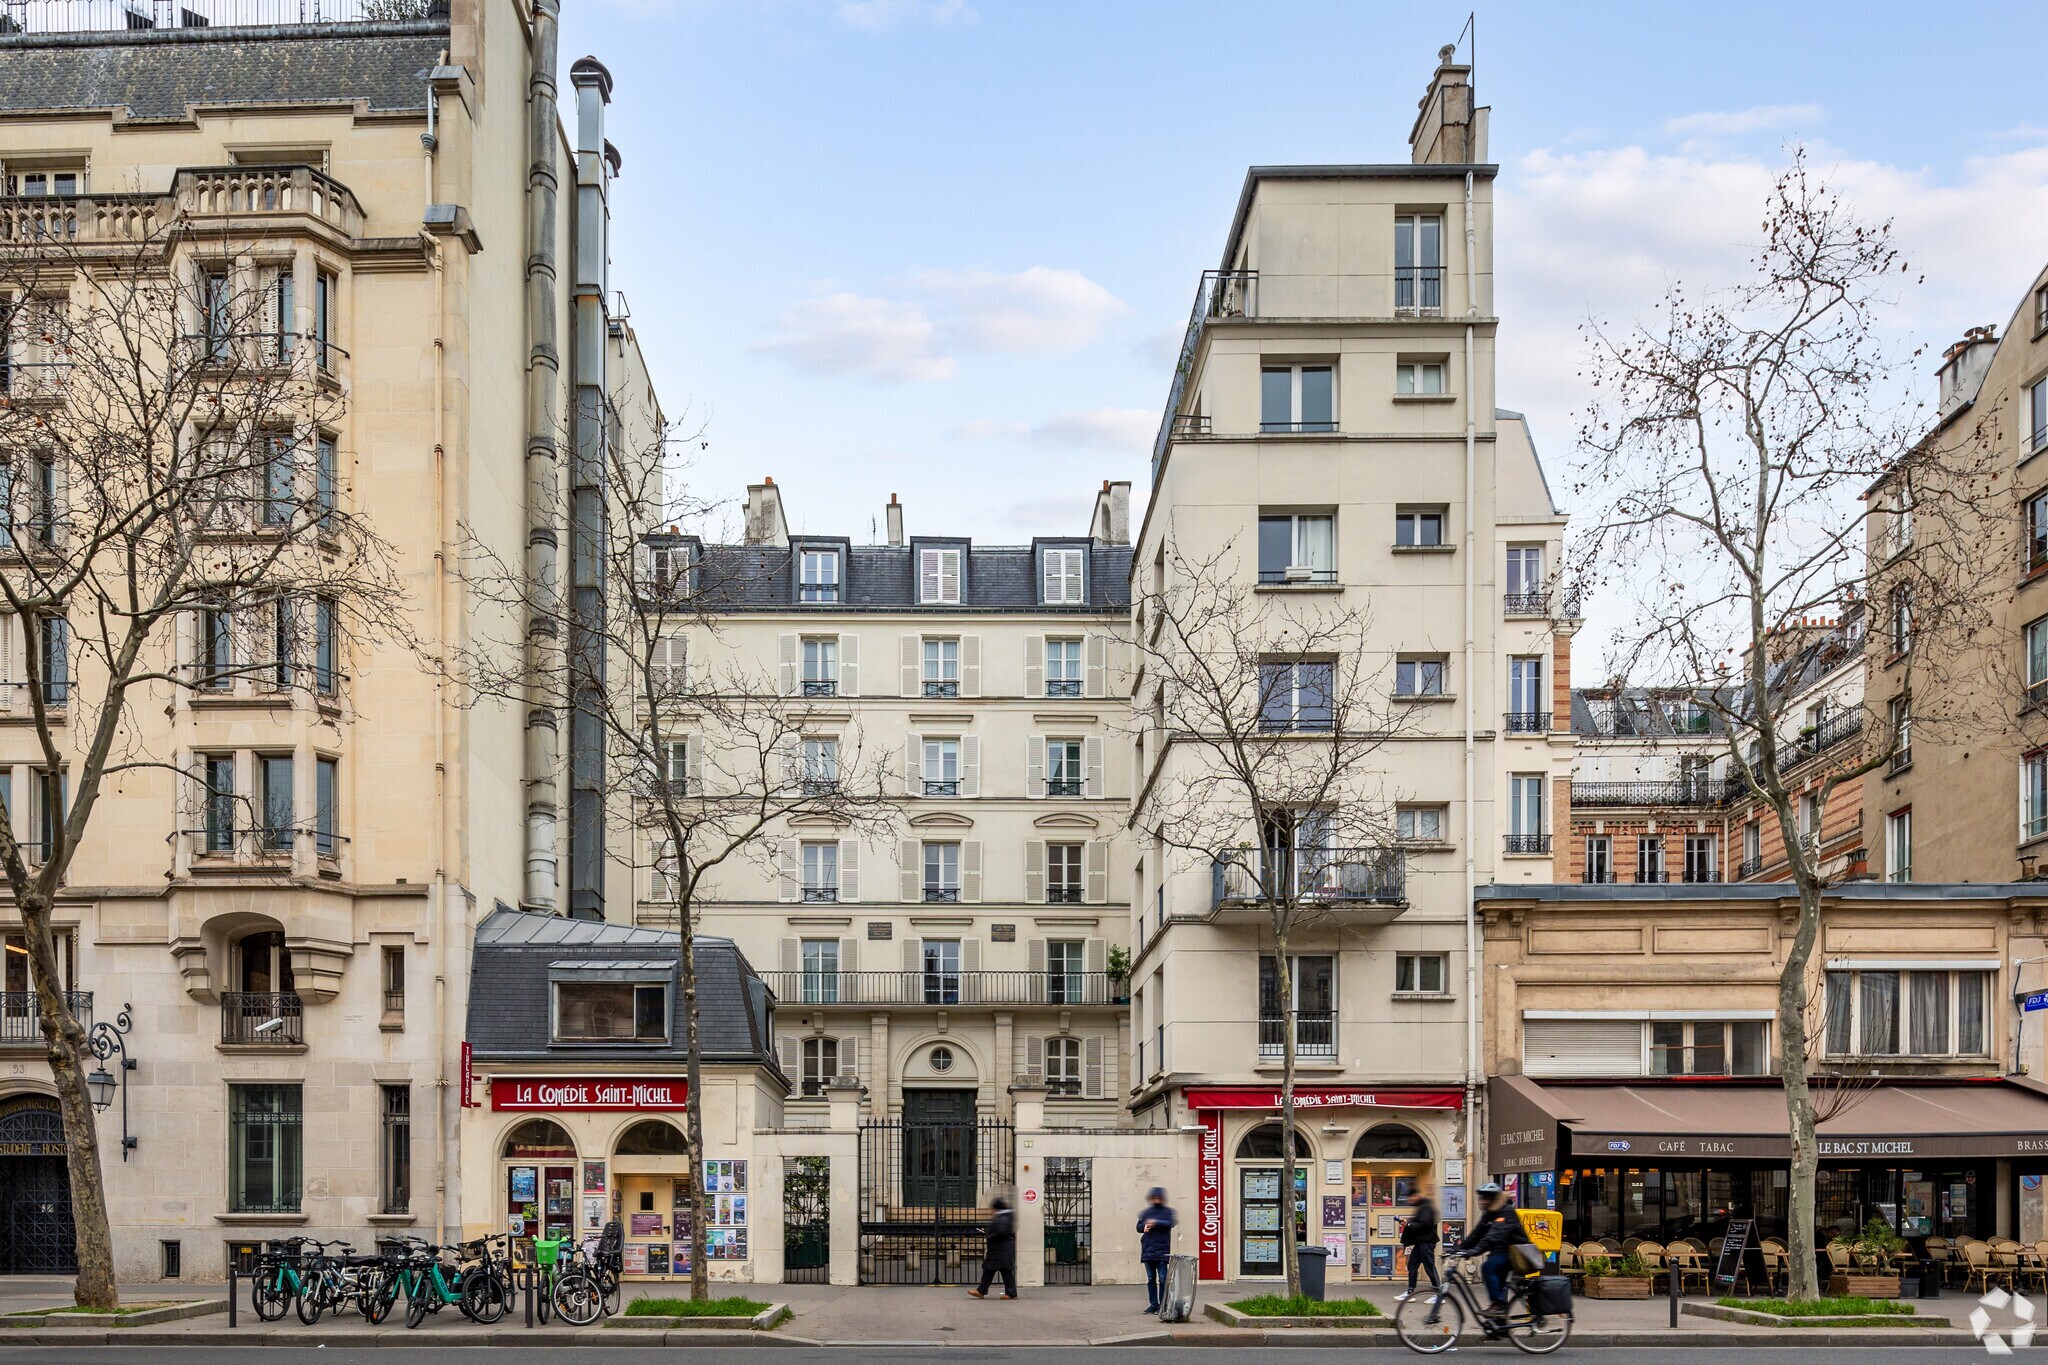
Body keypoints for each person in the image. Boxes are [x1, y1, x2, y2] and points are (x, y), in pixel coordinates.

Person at [1457, 1182, 1532, 1319]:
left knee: (1488, 1267)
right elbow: (1477, 1233)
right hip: (1500, 1252)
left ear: (1494, 1199)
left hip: (1515, 1253)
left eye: (1486, 1198)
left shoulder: (1506, 1211)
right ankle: (1499, 1328)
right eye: (1482, 1198)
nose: (1483, 1201)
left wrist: (1476, 1251)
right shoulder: (1489, 1214)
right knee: (1498, 1285)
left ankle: (1498, 1305)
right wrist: (1458, 1249)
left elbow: (1494, 1236)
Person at [1395, 1185, 1440, 1302]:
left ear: (1415, 1196)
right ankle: (1410, 1292)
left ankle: (1438, 1294)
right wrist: (1408, 1223)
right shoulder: (1422, 1206)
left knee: (1429, 1267)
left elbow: (1425, 1224)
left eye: (1410, 1198)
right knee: (1412, 1265)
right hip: (1421, 1243)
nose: (1410, 1201)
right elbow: (1420, 1222)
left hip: (1426, 1243)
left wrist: (1409, 1225)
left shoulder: (1426, 1207)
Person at [1136, 1187, 1177, 1313]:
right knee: (1151, 1279)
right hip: (1148, 1250)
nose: (1157, 1200)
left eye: (1159, 1198)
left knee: (1163, 1279)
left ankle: (1163, 1304)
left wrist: (1155, 1222)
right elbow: (1138, 1227)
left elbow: (1170, 1223)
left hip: (1161, 1251)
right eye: (1154, 1198)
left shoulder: (1167, 1212)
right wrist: (1145, 1226)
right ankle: (1153, 1304)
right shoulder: (1146, 1212)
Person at [968, 1195, 1017, 1300]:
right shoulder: (1005, 1216)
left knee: (996, 1271)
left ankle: (982, 1291)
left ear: (996, 1208)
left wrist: (989, 1237)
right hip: (1000, 1250)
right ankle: (1009, 1293)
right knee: (996, 1271)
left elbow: (1001, 1232)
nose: (991, 1210)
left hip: (1000, 1250)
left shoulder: (1003, 1218)